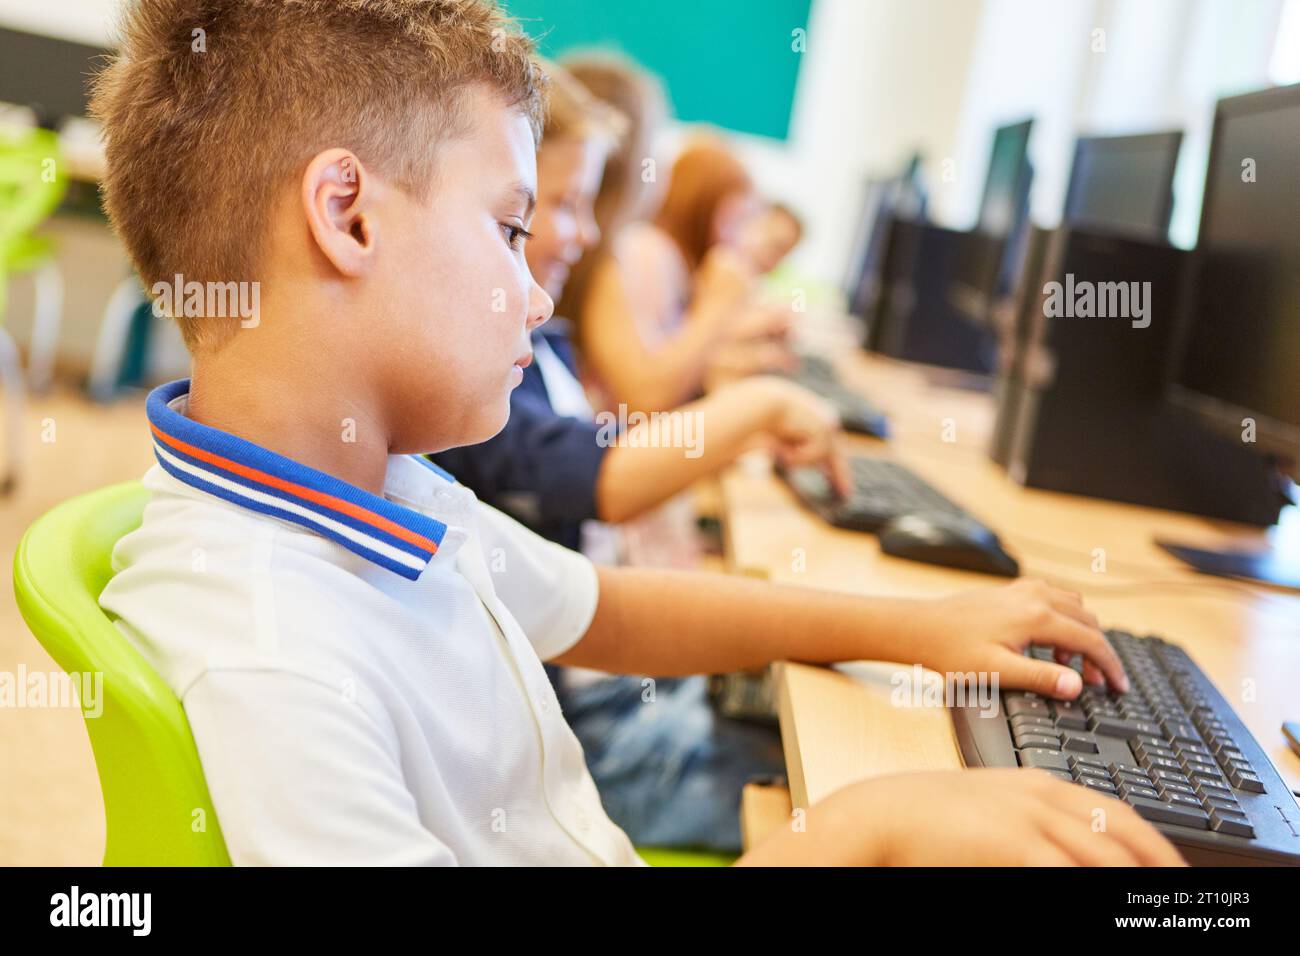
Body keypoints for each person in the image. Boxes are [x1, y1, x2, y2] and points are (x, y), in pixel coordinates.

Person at [93, 0, 1181, 866]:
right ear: (349, 215)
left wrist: (918, 626)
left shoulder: (379, 485)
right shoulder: (278, 659)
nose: (536, 292)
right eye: (510, 226)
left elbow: (609, 607)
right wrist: (857, 831)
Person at [431, 62, 840, 850]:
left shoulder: (540, 341)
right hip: (588, 742)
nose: (588, 237)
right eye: (551, 211)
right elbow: (605, 477)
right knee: (843, 787)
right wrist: (748, 402)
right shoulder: (474, 400)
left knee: (828, 741)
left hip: (605, 697)